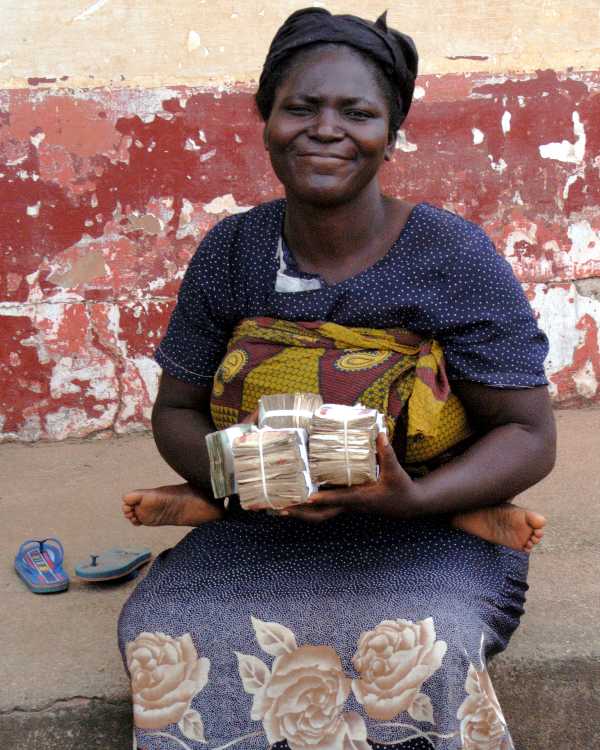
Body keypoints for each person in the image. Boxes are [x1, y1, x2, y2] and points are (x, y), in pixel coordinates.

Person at [118, 9, 555, 750]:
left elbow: (528, 434)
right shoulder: (232, 251)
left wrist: (411, 499)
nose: (327, 128)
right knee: (168, 635)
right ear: (267, 120)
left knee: (429, 640)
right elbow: (179, 411)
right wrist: (246, 480)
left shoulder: (452, 256)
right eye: (301, 107)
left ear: (393, 132)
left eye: (357, 112)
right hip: (260, 527)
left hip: (425, 528)